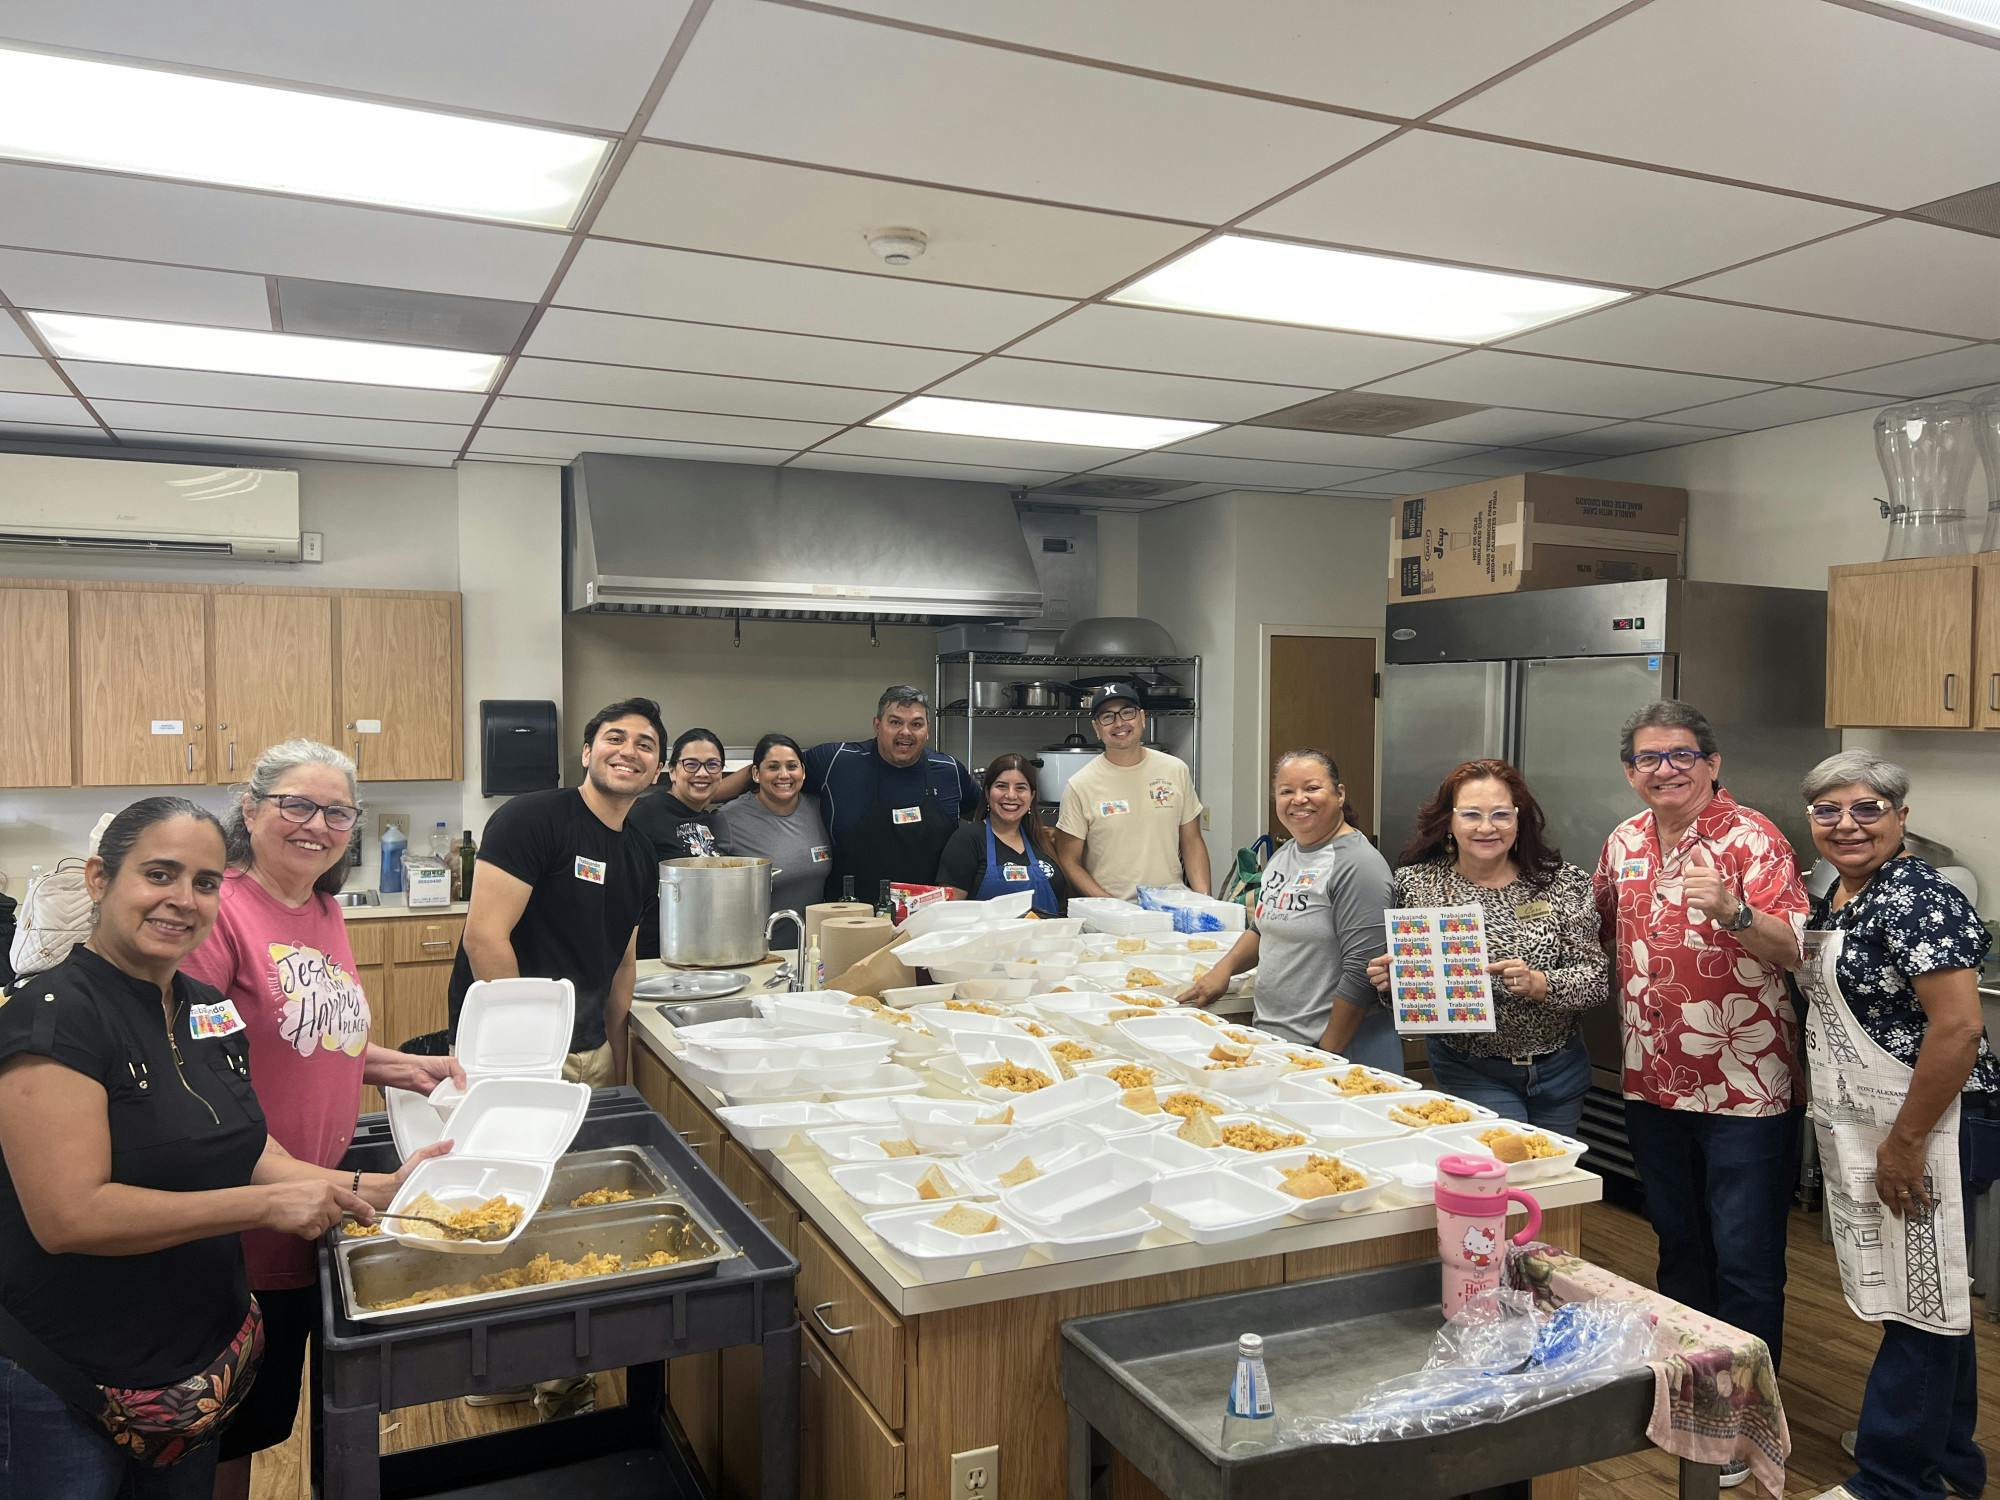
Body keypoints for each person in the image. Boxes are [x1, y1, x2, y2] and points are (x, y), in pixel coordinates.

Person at [0, 799, 430, 1498]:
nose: (183, 900)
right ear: (98, 879)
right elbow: (71, 1215)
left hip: (193, 1372)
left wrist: (359, 1185)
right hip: (70, 1375)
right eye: (159, 874)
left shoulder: (203, 1006)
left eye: (203, 882)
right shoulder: (51, 1021)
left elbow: (246, 1141)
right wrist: (266, 1205)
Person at [183, 740, 463, 1500]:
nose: (317, 824)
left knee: (265, 1413)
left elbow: (314, 1035)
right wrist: (356, 1184)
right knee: (223, 1437)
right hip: (243, 1225)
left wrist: (402, 1064)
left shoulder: (323, 908)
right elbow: (202, 1093)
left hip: (314, 1211)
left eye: (337, 811)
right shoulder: (220, 916)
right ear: (251, 808)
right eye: (296, 805)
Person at [1594, 700, 1807, 1454]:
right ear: (1630, 773)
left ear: (1712, 764)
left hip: (1745, 1088)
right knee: (1678, 1244)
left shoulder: (1755, 838)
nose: (1666, 770)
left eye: (1682, 755)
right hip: (1650, 1081)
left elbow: (1794, 950)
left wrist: (1734, 910)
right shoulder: (1623, 841)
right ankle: (1694, 1402)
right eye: (1649, 758)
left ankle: (1750, 1429)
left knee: (1746, 1259)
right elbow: (1592, 934)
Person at [1793, 751, 1994, 1500]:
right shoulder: (1846, 895)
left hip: (1929, 1127)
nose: (1847, 823)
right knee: (1934, 1292)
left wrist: (1905, 1144)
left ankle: (1891, 1479)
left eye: (1867, 808)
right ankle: (1944, 1461)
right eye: (1829, 810)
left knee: (1918, 1302)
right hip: (1881, 1122)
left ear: (1901, 818)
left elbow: (1959, 1029)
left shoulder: (1918, 899)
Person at [1362, 760, 1608, 1136]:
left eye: (1500, 815)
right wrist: (1393, 984)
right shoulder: (1418, 885)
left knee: (1549, 1179)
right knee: (1509, 1165)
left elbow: (1595, 980)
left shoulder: (1562, 882)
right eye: (1472, 814)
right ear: (1449, 821)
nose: (1486, 827)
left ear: (1519, 819)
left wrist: (1539, 983)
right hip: (1470, 1066)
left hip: (1559, 1068)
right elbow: (1415, 996)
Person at [449, 697, 664, 1088]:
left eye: (645, 745)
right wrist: (530, 1053)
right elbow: (484, 939)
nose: (629, 751)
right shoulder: (531, 818)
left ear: (656, 771)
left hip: (590, 1052)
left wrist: (617, 1065)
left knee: (592, 1152)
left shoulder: (641, 854)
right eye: (615, 738)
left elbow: (623, 966)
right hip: (507, 1050)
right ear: (587, 753)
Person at [1177, 751, 1398, 1070]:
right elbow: (1262, 927)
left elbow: (1361, 972)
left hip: (1337, 1052)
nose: (1299, 800)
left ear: (1340, 794)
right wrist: (1222, 971)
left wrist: (1325, 1055)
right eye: (1286, 791)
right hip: (1281, 1042)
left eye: (1312, 788)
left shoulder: (1358, 866)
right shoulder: (1288, 852)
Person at [716, 687, 977, 904]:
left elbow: (978, 814)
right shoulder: (838, 761)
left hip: (926, 917)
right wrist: (708, 794)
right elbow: (777, 764)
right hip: (850, 915)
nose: (905, 733)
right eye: (895, 722)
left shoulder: (948, 770)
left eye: (916, 724)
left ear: (927, 730)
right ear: (877, 725)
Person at [1054, 683, 1210, 903]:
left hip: (1172, 906)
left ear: (1142, 718)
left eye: (1127, 712)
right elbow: (1069, 861)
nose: (1119, 723)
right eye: (1107, 717)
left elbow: (1192, 840)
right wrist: (1112, 907)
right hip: (1114, 914)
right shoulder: (1081, 785)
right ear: (1097, 728)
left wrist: (1204, 901)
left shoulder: (1175, 770)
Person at [628, 727, 732, 961]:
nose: (703, 773)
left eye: (712, 765)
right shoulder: (645, 814)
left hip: (701, 953)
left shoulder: (712, 819)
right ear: (672, 771)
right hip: (653, 955)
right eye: (691, 764)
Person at [714, 734, 832, 921]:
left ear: (803, 772)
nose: (784, 775)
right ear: (755, 774)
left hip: (813, 946)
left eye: (792, 766)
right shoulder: (728, 819)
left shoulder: (821, 809)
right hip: (757, 946)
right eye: (773, 767)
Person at [936, 754, 1070, 917]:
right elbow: (948, 914)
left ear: (1032, 795)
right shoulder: (967, 840)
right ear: (987, 793)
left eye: (1020, 788)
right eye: (1001, 786)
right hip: (988, 941)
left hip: (1050, 939)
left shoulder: (1044, 840)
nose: (1011, 795)